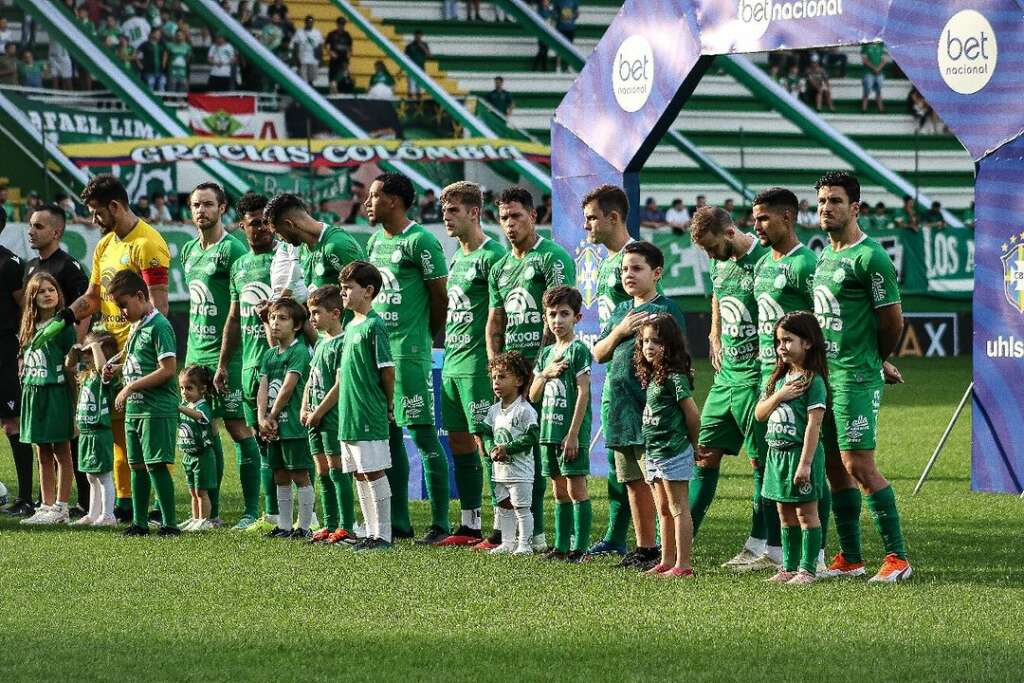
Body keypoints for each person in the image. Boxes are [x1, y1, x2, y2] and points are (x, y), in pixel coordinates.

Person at [52, 175, 170, 522]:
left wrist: (129, 354)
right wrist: (64, 318)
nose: (93, 220)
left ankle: (150, 507)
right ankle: (124, 504)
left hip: (139, 358)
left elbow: (158, 308)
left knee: (142, 436)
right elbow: (92, 299)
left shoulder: (148, 244)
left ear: (115, 207)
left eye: (96, 212)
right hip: (109, 357)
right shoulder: (105, 246)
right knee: (116, 434)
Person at [813, 171, 911, 583]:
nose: (826, 208)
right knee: (835, 467)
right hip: (825, 376)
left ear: (854, 208)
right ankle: (851, 558)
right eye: (821, 202)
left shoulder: (870, 257)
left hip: (855, 376)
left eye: (835, 201)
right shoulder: (825, 256)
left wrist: (875, 359)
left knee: (859, 465)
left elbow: (892, 321)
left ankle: (898, 559)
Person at [727, 187, 820, 573]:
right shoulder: (764, 264)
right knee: (773, 466)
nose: (757, 225)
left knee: (811, 468)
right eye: (754, 218)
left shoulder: (806, 264)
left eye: (763, 218)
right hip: (770, 376)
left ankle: (815, 559)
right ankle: (784, 556)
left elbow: (823, 322)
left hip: (802, 379)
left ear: (787, 217)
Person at [484, 185, 575, 551]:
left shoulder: (552, 257)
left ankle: (541, 535)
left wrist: (540, 366)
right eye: (504, 217)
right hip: (510, 375)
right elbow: (494, 324)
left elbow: (558, 316)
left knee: (538, 453)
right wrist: (496, 366)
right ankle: (517, 534)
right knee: (510, 450)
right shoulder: (500, 267)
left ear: (533, 217)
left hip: (544, 370)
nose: (509, 224)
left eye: (516, 216)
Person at [364, 173, 450, 544]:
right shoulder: (373, 242)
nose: (368, 203)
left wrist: (424, 338)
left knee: (424, 436)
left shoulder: (421, 241)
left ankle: (441, 523)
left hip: (410, 353)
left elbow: (440, 298)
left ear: (394, 201)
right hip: (379, 355)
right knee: (388, 435)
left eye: (374, 196)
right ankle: (397, 521)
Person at [592, 241, 686, 571]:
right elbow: (599, 353)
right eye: (624, 269)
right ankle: (645, 547)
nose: (628, 275)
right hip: (619, 410)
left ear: (656, 273)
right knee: (632, 482)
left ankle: (668, 551)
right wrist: (619, 331)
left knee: (657, 483)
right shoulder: (621, 311)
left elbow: (678, 359)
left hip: (651, 412)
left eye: (636, 268)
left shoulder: (667, 311)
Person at [182, 183, 263, 530]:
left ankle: (249, 511)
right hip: (195, 354)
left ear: (223, 208)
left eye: (209, 205)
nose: (202, 211)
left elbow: (238, 305)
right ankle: (209, 514)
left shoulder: (233, 249)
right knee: (202, 429)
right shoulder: (187, 250)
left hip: (228, 356)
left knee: (238, 427)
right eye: (196, 205)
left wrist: (227, 360)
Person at [688, 206, 768, 539]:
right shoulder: (719, 262)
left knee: (761, 464)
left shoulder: (765, 261)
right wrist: (714, 334)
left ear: (730, 233)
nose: (710, 255)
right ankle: (679, 541)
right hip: (725, 378)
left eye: (712, 247)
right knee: (703, 453)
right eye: (704, 250)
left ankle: (761, 542)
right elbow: (719, 293)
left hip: (755, 376)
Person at [435, 181, 506, 546]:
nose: (446, 218)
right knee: (460, 443)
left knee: (489, 444)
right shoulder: (457, 257)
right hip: (452, 365)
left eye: (453, 211)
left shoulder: (493, 256)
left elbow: (501, 314)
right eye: (444, 211)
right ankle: (469, 523)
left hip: (479, 366)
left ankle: (502, 526)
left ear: (474, 212)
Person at [579, 184, 642, 557]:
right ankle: (618, 537)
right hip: (612, 366)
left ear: (613, 218)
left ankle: (646, 540)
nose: (587, 225)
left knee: (640, 460)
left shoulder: (633, 260)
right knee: (619, 456)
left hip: (633, 371)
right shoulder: (605, 262)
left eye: (592, 218)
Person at [754, 312, 829, 585]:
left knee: (806, 514)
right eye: (778, 341)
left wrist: (806, 464)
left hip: (800, 455)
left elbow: (814, 425)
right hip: (776, 455)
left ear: (807, 343)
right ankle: (788, 566)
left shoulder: (814, 381)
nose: (781, 347)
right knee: (785, 514)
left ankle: (808, 569)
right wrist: (780, 395)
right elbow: (760, 414)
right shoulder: (778, 380)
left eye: (788, 340)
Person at [26, 204, 90, 516]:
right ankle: (46, 503)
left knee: (67, 444)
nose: (31, 231)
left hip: (62, 370)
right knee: (43, 447)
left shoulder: (69, 267)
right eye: (30, 225)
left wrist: (75, 349)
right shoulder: (30, 267)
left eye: (39, 226)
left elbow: (83, 309)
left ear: (56, 231)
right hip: (37, 380)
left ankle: (79, 502)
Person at [220, 192, 279, 529]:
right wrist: (224, 363)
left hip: (279, 364)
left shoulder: (286, 259)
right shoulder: (240, 266)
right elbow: (233, 318)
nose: (261, 229)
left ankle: (294, 512)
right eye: (254, 224)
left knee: (287, 442)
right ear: (242, 227)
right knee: (257, 438)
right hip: (248, 367)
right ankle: (262, 513)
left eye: (266, 223)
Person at [107, 269, 179, 536]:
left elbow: (167, 369)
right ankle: (139, 522)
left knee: (156, 465)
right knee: (136, 465)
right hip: (135, 409)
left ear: (140, 295)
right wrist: (115, 367)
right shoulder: (137, 324)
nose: (122, 312)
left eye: (123, 305)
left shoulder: (160, 326)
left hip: (156, 409)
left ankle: (169, 523)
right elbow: (134, 357)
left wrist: (130, 387)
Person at [528, 286, 592, 562]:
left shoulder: (578, 350)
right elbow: (532, 395)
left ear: (577, 318)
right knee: (558, 489)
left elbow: (583, 392)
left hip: (568, 432)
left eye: (564, 314)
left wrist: (574, 433)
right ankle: (562, 546)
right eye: (552, 314)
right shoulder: (545, 354)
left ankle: (580, 548)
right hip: (548, 432)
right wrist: (544, 373)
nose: (558, 320)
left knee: (576, 487)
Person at [634, 313, 700, 578]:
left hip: (673, 452)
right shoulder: (652, 376)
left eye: (656, 342)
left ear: (670, 345)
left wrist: (694, 445)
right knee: (662, 509)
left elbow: (693, 416)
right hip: (654, 452)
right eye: (646, 341)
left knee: (678, 508)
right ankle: (666, 560)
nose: (649, 347)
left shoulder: (674, 378)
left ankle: (683, 565)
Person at [337, 260, 396, 551]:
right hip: (349, 413)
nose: (343, 293)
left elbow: (386, 369)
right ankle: (370, 532)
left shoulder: (375, 325)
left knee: (374, 471)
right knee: (359, 473)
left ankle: (383, 535)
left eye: (349, 288)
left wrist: (387, 405)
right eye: (341, 287)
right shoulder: (350, 326)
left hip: (368, 410)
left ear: (368, 291)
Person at [17, 273, 76, 526]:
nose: (48, 294)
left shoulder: (64, 327)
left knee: (62, 451)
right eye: (41, 291)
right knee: (41, 452)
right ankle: (47, 505)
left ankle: (61, 507)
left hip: (56, 393)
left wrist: (74, 406)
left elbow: (72, 367)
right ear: (32, 297)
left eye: (52, 289)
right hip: (34, 393)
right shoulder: (28, 327)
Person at [301, 285, 357, 545]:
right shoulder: (321, 341)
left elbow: (339, 384)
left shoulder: (342, 342)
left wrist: (319, 412)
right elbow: (312, 379)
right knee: (322, 469)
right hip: (313, 416)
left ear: (335, 313)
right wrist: (304, 407)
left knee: (337, 469)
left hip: (331, 416)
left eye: (316, 312)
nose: (312, 318)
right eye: (310, 313)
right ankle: (330, 523)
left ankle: (347, 526)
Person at [257, 297, 314, 539]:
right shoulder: (269, 355)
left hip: (292, 424)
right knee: (279, 474)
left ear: (297, 325)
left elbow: (288, 387)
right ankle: (284, 525)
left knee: (299, 475)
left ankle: (304, 526)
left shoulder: (299, 351)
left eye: (282, 318)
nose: (275, 323)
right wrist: (262, 417)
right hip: (272, 425)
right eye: (272, 318)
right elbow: (263, 386)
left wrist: (272, 415)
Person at [475, 351, 538, 555]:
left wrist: (507, 448)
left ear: (519, 380)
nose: (496, 382)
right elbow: (485, 432)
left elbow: (531, 438)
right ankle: (508, 542)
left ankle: (525, 545)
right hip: (500, 472)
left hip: (520, 472)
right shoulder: (493, 410)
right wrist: (490, 446)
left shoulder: (525, 410)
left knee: (521, 508)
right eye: (494, 377)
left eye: (502, 377)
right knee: (504, 506)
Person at [263, 192, 364, 298]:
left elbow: (364, 293)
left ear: (289, 225)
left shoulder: (336, 245)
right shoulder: (302, 248)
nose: (280, 239)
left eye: (277, 232)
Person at [0, 205, 31, 518]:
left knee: (12, 422)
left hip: (4, 350)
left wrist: (23, 348)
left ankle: (25, 497)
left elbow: (26, 310)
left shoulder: (9, 264)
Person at [70, 332, 119, 527]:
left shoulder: (104, 376)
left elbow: (102, 367)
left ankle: (108, 516)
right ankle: (93, 513)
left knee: (104, 475)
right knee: (91, 476)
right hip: (86, 433)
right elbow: (68, 364)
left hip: (100, 433)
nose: (86, 355)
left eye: (89, 352)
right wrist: (75, 350)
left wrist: (95, 346)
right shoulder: (87, 375)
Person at [177, 365, 217, 532]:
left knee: (201, 491)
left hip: (202, 456)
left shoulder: (202, 406)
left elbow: (201, 417)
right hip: (188, 455)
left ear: (202, 389)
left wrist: (180, 408)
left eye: (189, 388)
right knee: (193, 491)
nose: (184, 392)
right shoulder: (186, 406)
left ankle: (205, 521)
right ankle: (195, 519)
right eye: (181, 388)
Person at [292, 15, 322, 85]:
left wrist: (320, 59)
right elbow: (295, 47)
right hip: (302, 60)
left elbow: (320, 47)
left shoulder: (317, 33)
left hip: (313, 60)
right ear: (305, 22)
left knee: (311, 81)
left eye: (311, 22)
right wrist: (296, 59)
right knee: (302, 82)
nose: (310, 23)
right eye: (308, 22)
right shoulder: (299, 32)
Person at [860, 42, 887, 113]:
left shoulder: (881, 45)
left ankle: (881, 109)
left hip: (879, 72)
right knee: (867, 89)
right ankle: (864, 108)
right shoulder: (865, 45)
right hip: (868, 72)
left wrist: (878, 68)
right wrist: (874, 68)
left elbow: (884, 60)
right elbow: (864, 60)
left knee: (879, 90)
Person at [137, 27, 166, 91]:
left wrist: (164, 63)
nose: (158, 35)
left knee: (162, 87)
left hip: (160, 71)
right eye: (157, 33)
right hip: (148, 71)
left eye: (159, 34)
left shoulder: (161, 44)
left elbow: (165, 53)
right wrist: (139, 64)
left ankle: (160, 101)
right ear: (152, 34)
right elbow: (138, 55)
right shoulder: (144, 45)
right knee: (150, 87)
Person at [404, 30, 430, 98]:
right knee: (410, 86)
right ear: (414, 36)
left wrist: (422, 47)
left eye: (419, 36)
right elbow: (405, 57)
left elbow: (428, 55)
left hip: (421, 67)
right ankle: (410, 99)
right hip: (411, 68)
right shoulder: (409, 46)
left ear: (421, 36)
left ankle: (419, 101)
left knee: (419, 86)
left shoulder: (424, 45)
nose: (418, 37)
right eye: (416, 35)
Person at [325, 16, 352, 82]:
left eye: (343, 24)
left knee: (345, 79)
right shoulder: (331, 34)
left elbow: (350, 47)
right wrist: (331, 53)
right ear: (337, 24)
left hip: (344, 61)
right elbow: (327, 46)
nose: (342, 25)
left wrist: (349, 55)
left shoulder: (347, 35)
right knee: (333, 79)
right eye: (340, 23)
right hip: (334, 60)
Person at [165, 29, 191, 93]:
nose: (179, 36)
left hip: (183, 74)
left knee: (182, 94)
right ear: (175, 36)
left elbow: (188, 58)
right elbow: (165, 56)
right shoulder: (169, 45)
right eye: (177, 35)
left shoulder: (187, 47)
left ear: (184, 36)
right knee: (170, 93)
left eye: (180, 35)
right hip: (172, 73)